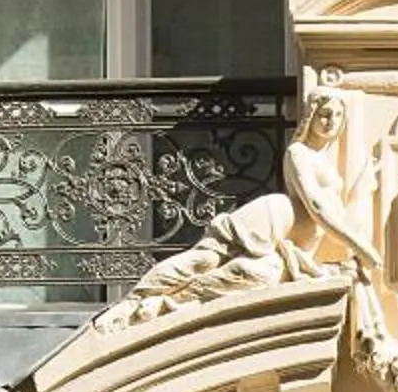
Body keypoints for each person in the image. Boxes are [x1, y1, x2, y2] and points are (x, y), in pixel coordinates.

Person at [122, 86, 382, 313]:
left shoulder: (325, 159)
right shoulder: (298, 152)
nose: (330, 121)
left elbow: (339, 207)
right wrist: (361, 247)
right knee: (206, 259)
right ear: (311, 116)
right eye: (324, 114)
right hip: (273, 219)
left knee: (252, 276)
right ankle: (138, 298)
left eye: (337, 115)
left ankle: (171, 301)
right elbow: (316, 207)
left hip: (292, 245)